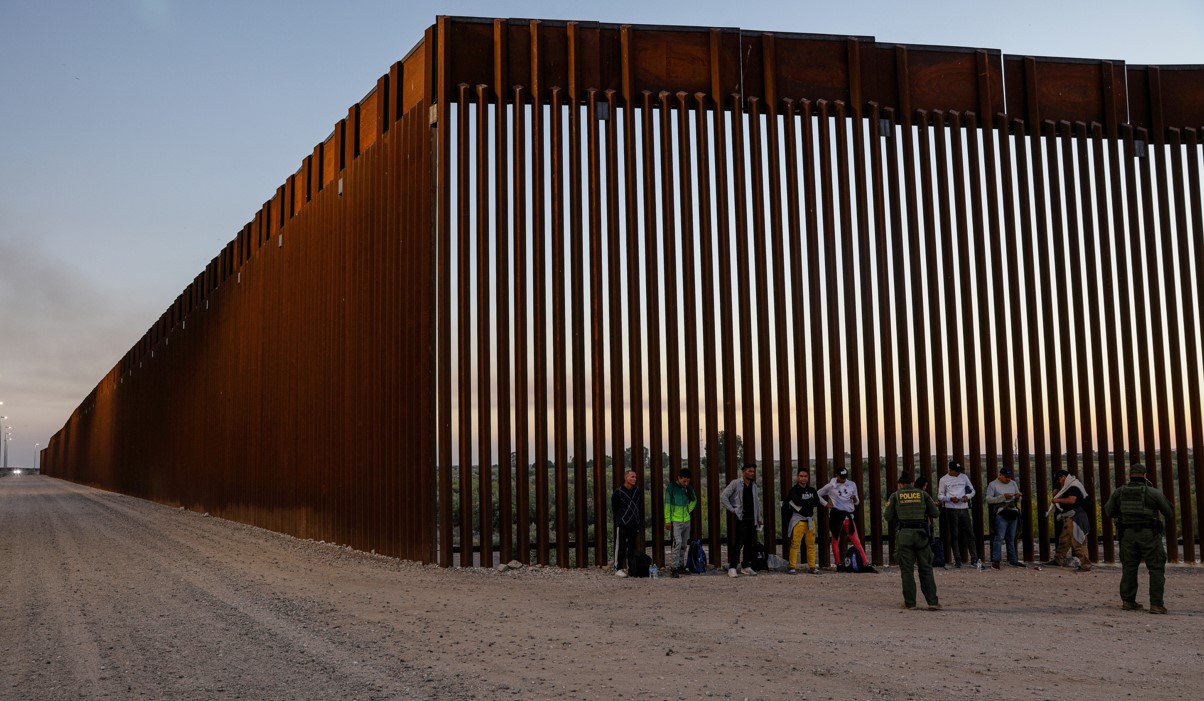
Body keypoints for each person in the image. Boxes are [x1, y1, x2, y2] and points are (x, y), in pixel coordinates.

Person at [1104, 463, 1174, 613]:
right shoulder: (1153, 492)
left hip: (1127, 535)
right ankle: (1156, 605)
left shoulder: (1119, 492)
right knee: (1155, 568)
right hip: (1149, 534)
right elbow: (1168, 512)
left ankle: (1128, 602)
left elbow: (1109, 511)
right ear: (1145, 476)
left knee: (1129, 567)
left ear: (1130, 476)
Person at [884, 472, 942, 610]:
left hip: (904, 535)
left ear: (900, 484)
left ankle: (910, 603)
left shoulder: (895, 495)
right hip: (922, 534)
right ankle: (932, 602)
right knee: (926, 569)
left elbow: (887, 516)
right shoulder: (923, 494)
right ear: (912, 483)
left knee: (907, 570)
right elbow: (935, 513)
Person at [817, 466, 870, 570]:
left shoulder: (852, 484)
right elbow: (817, 494)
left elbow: (858, 502)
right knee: (836, 539)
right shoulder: (830, 486)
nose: (843, 479)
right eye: (841, 477)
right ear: (836, 476)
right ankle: (838, 563)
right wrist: (826, 504)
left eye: (845, 477)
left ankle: (865, 562)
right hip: (837, 515)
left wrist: (855, 499)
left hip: (849, 516)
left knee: (856, 540)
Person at [1046, 469, 1092, 572]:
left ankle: (1086, 565)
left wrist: (1057, 499)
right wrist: (1057, 494)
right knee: (1064, 539)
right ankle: (1058, 559)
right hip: (1071, 517)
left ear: (1063, 477)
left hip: (1076, 518)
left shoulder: (1074, 486)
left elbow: (1072, 500)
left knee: (1078, 540)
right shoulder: (1072, 485)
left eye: (1059, 480)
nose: (1060, 483)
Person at [721, 464, 762, 577]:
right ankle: (733, 567)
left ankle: (746, 566)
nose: (752, 473)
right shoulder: (736, 483)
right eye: (749, 471)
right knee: (739, 543)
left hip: (752, 518)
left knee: (750, 543)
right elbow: (724, 496)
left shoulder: (754, 485)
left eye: (753, 471)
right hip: (741, 518)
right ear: (743, 472)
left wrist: (758, 518)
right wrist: (732, 509)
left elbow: (756, 503)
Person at [938, 460, 979, 568]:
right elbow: (940, 496)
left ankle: (974, 559)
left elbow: (972, 491)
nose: (958, 473)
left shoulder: (964, 477)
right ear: (950, 470)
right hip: (951, 508)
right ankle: (957, 560)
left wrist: (967, 497)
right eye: (956, 471)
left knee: (970, 533)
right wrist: (950, 498)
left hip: (964, 507)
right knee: (954, 534)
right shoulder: (943, 480)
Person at [783, 467, 822, 574]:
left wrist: (804, 502)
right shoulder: (794, 490)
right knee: (795, 544)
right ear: (797, 477)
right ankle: (792, 567)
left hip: (810, 521)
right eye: (801, 476)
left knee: (811, 545)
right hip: (798, 521)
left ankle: (812, 567)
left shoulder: (812, 490)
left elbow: (817, 502)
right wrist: (810, 501)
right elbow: (796, 501)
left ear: (808, 478)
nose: (803, 478)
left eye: (805, 476)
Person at [985, 466, 1023, 568]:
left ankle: (1013, 560)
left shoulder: (1013, 483)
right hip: (1001, 513)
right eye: (1006, 477)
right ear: (1000, 475)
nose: (1008, 479)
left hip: (1013, 511)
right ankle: (996, 560)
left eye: (1010, 477)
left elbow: (1019, 498)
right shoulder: (993, 484)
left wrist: (1018, 497)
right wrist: (1003, 497)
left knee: (1011, 538)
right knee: (999, 537)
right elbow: (988, 499)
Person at [664, 467, 697, 577]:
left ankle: (680, 565)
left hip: (686, 521)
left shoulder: (688, 488)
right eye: (684, 481)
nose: (686, 483)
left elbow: (694, 500)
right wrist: (668, 520)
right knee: (677, 543)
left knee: (683, 544)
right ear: (679, 478)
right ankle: (674, 568)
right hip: (676, 521)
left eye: (688, 481)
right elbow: (667, 505)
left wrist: (689, 509)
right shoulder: (671, 487)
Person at [611, 470, 643, 577]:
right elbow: (614, 508)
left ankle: (632, 568)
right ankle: (618, 568)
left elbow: (639, 505)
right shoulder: (618, 492)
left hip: (634, 524)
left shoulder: (637, 491)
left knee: (632, 547)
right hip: (623, 524)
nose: (634, 479)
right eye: (632, 477)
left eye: (635, 477)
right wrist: (622, 518)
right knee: (621, 546)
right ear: (626, 478)